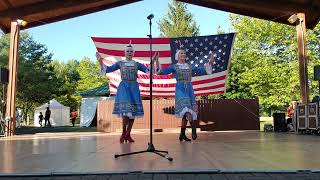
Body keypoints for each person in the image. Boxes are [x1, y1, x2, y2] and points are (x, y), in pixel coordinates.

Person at [97, 44, 154, 143]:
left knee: (133, 112)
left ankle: (128, 134)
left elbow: (147, 70)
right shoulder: (120, 63)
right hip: (124, 87)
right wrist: (100, 60)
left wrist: (153, 61)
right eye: (127, 51)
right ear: (125, 52)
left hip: (134, 87)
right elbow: (108, 69)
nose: (129, 53)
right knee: (125, 111)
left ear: (133, 53)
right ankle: (124, 133)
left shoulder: (136, 64)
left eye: (131, 51)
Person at [156, 49, 214, 141]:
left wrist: (210, 62)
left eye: (184, 53)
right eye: (181, 53)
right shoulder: (174, 67)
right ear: (177, 56)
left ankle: (182, 134)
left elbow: (202, 70)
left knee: (185, 113)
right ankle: (193, 129)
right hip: (180, 89)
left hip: (189, 89)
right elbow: (162, 72)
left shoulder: (189, 66)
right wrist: (157, 60)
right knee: (187, 109)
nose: (183, 54)